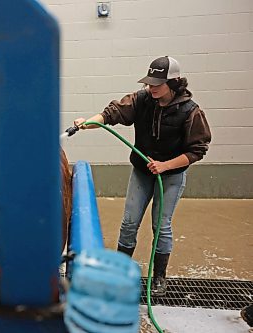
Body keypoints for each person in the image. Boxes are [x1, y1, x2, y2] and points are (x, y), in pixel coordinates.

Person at [73, 56, 212, 296]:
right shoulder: (141, 100)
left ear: (174, 83)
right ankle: (119, 272)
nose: (151, 88)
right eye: (150, 83)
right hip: (142, 171)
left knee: (161, 225)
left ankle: (159, 276)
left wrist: (165, 165)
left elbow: (197, 150)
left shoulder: (191, 112)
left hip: (170, 175)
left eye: (158, 84)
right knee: (129, 223)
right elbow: (111, 114)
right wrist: (87, 123)